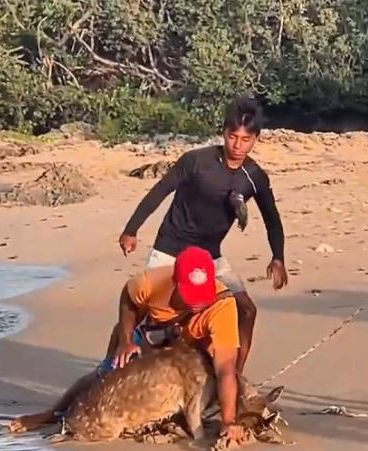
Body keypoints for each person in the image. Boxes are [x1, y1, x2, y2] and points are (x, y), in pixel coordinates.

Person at [118, 96, 287, 376]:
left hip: (210, 256)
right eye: (233, 136)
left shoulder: (254, 176)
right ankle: (125, 361)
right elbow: (159, 191)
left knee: (247, 310)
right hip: (170, 250)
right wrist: (131, 229)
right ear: (223, 133)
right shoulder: (196, 161)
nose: (238, 144)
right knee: (149, 313)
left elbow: (273, 219)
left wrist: (278, 257)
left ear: (256, 139)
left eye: (246, 139)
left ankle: (231, 377)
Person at [9, 246, 249, 443]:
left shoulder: (222, 305)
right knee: (104, 377)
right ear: (176, 282)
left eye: (203, 296)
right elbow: (128, 299)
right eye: (191, 296)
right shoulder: (150, 283)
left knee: (209, 379)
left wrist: (229, 422)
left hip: (188, 345)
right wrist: (125, 341)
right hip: (147, 331)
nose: (197, 304)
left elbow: (226, 367)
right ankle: (49, 415)